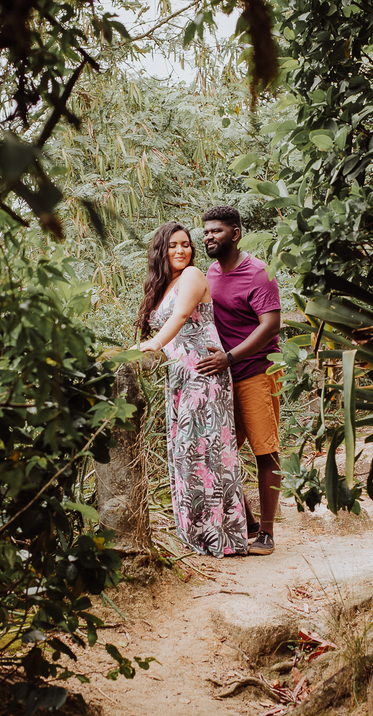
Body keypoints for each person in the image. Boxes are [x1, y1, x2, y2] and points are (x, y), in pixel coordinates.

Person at [137, 222, 249, 557]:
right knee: (186, 453)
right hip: (179, 378)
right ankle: (196, 532)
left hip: (203, 372)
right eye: (173, 245)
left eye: (186, 244)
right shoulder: (163, 284)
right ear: (161, 250)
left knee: (206, 451)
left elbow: (184, 315)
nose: (181, 250)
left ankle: (222, 535)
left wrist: (153, 343)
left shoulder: (192, 276)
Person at [196, 206, 282, 556]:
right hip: (222, 378)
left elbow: (270, 325)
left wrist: (230, 358)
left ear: (235, 233)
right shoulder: (210, 273)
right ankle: (244, 522)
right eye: (205, 232)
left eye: (216, 231)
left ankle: (267, 532)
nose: (208, 237)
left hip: (256, 373)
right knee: (221, 451)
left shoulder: (258, 273)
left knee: (266, 452)